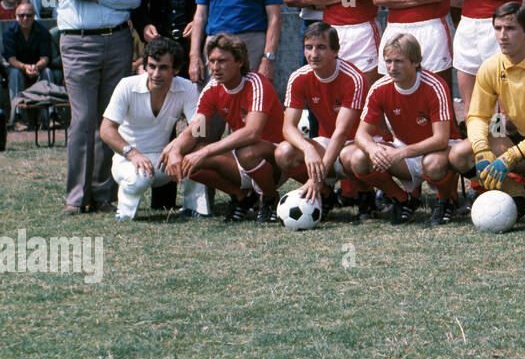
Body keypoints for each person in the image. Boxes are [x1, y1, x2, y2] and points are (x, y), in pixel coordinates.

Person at [54, 0, 142, 214]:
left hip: (118, 42)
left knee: (110, 119)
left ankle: (103, 193)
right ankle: (76, 198)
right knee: (83, 120)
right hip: (78, 44)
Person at [448, 3, 525, 215]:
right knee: (460, 155)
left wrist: (511, 156)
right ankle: (520, 195)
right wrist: (482, 148)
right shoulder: (491, 66)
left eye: (510, 28)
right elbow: (477, 116)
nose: (502, 35)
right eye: (498, 28)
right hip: (517, 140)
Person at [163, 33, 285, 223]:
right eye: (211, 61)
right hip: (244, 159)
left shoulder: (256, 83)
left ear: (239, 61)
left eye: (222, 61)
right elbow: (198, 129)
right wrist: (176, 149)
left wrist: (206, 151)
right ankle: (241, 198)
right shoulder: (213, 88)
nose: (215, 67)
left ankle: (269, 197)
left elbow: (252, 132)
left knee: (245, 152)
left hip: (276, 159)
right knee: (190, 159)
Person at [345, 32, 458, 223]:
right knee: (356, 157)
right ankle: (401, 199)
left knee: (433, 164)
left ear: (416, 62)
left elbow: (441, 139)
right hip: (405, 152)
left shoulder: (435, 85)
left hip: (441, 151)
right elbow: (361, 134)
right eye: (388, 61)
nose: (391, 67)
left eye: (398, 61)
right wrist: (372, 149)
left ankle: (446, 201)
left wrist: (401, 153)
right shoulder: (380, 87)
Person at [99, 37, 202, 220]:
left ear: (175, 70)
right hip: (127, 159)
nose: (155, 74)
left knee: (199, 155)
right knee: (140, 178)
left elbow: (199, 129)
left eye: (163, 67)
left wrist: (177, 148)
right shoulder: (127, 85)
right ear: (145, 66)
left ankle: (195, 207)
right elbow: (106, 129)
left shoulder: (187, 88)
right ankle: (125, 213)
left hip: (163, 159)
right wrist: (132, 154)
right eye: (152, 66)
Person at [276, 22, 368, 215]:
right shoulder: (298, 77)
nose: (314, 54)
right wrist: (307, 147)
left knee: (352, 157)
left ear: (335, 51)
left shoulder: (353, 78)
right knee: (284, 153)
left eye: (321, 47)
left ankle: (366, 197)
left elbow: (342, 132)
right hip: (328, 141)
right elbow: (288, 128)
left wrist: (317, 176)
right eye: (308, 47)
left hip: (358, 144)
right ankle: (326, 195)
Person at [4, 0, 52, 127]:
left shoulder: (42, 31)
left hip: (38, 67)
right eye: (21, 15)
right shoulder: (9, 32)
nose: (25, 18)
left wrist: (36, 66)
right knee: (14, 73)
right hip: (18, 68)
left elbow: (45, 58)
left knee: (48, 72)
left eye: (29, 15)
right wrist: (25, 67)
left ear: (34, 16)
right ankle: (17, 118)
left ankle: (49, 117)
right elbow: (11, 59)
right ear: (16, 16)